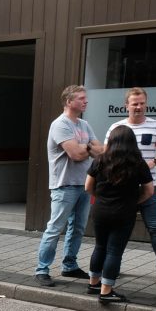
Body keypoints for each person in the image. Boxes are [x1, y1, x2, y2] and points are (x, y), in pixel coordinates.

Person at [34, 85, 104, 287]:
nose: (86, 101)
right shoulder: (60, 125)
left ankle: (69, 265)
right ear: (68, 101)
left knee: (78, 228)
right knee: (55, 228)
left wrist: (87, 148)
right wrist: (89, 148)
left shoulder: (84, 124)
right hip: (64, 185)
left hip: (84, 185)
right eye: (81, 98)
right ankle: (42, 269)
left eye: (85, 98)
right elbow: (76, 155)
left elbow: (101, 151)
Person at [86, 125, 155, 303]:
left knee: (100, 246)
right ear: (131, 143)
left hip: (100, 210)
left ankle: (93, 284)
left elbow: (88, 187)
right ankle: (106, 292)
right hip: (124, 213)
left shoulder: (100, 160)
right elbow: (148, 191)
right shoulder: (137, 163)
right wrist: (133, 202)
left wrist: (101, 198)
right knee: (114, 251)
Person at [104, 87, 156, 283]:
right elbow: (106, 154)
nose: (138, 107)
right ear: (126, 106)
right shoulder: (116, 127)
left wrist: (153, 162)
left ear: (146, 104)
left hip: (148, 187)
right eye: (134, 103)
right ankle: (114, 268)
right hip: (122, 189)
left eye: (142, 103)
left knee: (155, 228)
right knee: (119, 229)